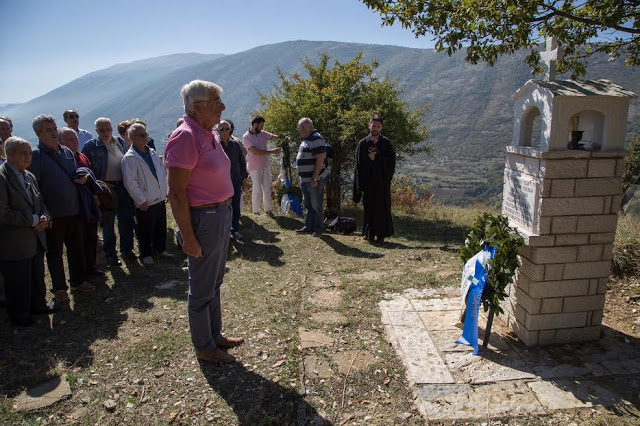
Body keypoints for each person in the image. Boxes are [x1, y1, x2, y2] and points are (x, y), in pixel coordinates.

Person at [165, 79, 243, 364]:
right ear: (197, 107)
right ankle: (204, 347)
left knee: (215, 281)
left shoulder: (207, 133)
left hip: (220, 214)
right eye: (216, 101)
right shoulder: (185, 136)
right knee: (201, 287)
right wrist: (189, 237)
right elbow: (176, 193)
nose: (222, 106)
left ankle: (215, 335)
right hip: (204, 218)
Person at [28, 115, 94, 304]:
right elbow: (35, 188)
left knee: (76, 248)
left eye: (54, 128)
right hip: (53, 214)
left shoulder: (66, 151)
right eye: (48, 130)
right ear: (38, 133)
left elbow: (75, 173)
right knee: (55, 253)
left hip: (73, 209)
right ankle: (59, 289)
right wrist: (44, 213)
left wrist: (82, 178)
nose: (54, 132)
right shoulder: (36, 156)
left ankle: (77, 281)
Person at [0, 137, 57, 326]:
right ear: (9, 154)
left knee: (36, 274)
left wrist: (45, 217)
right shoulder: (2, 178)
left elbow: (40, 203)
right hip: (15, 242)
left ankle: (38, 304)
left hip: (35, 238)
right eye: (23, 153)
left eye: (29, 153)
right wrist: (33, 220)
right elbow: (3, 213)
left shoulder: (29, 176)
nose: (27, 157)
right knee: (18, 279)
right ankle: (19, 314)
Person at [82, 117, 136, 265]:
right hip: (106, 190)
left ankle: (127, 250)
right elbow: (88, 169)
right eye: (102, 130)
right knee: (108, 223)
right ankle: (110, 254)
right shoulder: (90, 147)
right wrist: (98, 188)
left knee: (126, 220)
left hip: (123, 186)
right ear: (96, 131)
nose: (106, 133)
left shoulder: (120, 142)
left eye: (108, 129)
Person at [121, 122, 172, 266]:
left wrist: (165, 191)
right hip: (146, 200)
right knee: (145, 229)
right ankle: (146, 254)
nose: (145, 138)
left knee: (160, 225)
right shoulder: (130, 158)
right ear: (133, 137)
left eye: (146, 134)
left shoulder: (152, 152)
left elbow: (161, 172)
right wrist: (140, 199)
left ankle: (160, 249)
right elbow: (130, 182)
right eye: (142, 135)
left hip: (159, 196)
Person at [58, 127, 103, 276]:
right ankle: (81, 273)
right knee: (78, 242)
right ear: (61, 142)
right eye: (70, 139)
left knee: (90, 237)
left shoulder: (82, 156)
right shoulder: (62, 160)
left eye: (75, 138)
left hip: (89, 202)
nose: (75, 141)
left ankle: (91, 267)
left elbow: (91, 175)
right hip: (75, 206)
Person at [353, 115, 396, 243]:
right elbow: (358, 165)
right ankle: (369, 234)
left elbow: (391, 163)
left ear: (381, 127)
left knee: (382, 209)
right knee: (369, 209)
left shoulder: (386, 143)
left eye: (378, 126)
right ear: (369, 126)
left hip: (381, 183)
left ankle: (381, 235)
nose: (375, 128)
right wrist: (359, 185)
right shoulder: (363, 143)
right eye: (373, 125)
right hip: (368, 184)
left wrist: (376, 158)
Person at [295, 118, 330, 237]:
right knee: (308, 204)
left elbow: (320, 160)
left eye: (299, 128)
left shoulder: (316, 138)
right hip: (305, 179)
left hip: (315, 179)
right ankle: (309, 226)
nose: (298, 130)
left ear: (304, 128)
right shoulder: (307, 139)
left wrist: (315, 178)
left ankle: (318, 228)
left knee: (316, 204)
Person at [242, 116, 281, 217]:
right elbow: (255, 151)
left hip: (265, 165)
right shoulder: (246, 137)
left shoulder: (262, 133)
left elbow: (274, 137)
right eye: (260, 126)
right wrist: (272, 151)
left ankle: (268, 210)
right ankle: (256, 211)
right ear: (255, 124)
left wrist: (284, 138)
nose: (262, 128)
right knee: (257, 189)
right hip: (254, 166)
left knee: (267, 188)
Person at [219, 119, 248, 240]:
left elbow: (242, 162)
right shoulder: (215, 146)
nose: (224, 131)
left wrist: (244, 178)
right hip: (221, 180)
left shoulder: (235, 145)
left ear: (230, 130)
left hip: (235, 178)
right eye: (221, 129)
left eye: (227, 128)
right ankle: (224, 231)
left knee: (235, 204)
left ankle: (235, 229)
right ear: (217, 131)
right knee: (223, 206)